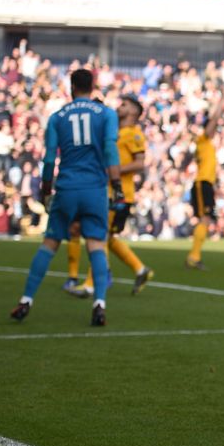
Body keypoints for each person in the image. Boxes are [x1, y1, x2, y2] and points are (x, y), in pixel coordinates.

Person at [10, 69, 122, 326]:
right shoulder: (106, 113)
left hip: (68, 187)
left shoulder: (57, 116)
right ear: (93, 86)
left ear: (71, 87)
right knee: (96, 244)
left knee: (49, 244)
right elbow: (109, 148)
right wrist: (116, 183)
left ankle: (26, 300)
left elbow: (50, 157)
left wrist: (46, 189)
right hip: (94, 188)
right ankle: (100, 304)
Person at [67, 95, 155, 298]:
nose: (119, 106)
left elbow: (140, 163)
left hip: (119, 194)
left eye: (124, 104)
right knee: (107, 237)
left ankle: (91, 284)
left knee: (99, 236)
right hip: (107, 192)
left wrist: (115, 171)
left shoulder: (134, 134)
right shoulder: (116, 133)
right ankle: (140, 270)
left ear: (134, 111)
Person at [186, 101, 221, 270]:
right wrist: (220, 104)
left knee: (205, 220)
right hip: (202, 183)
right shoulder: (203, 140)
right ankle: (194, 257)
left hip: (206, 183)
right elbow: (212, 122)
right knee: (204, 219)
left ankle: (195, 256)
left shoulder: (206, 143)